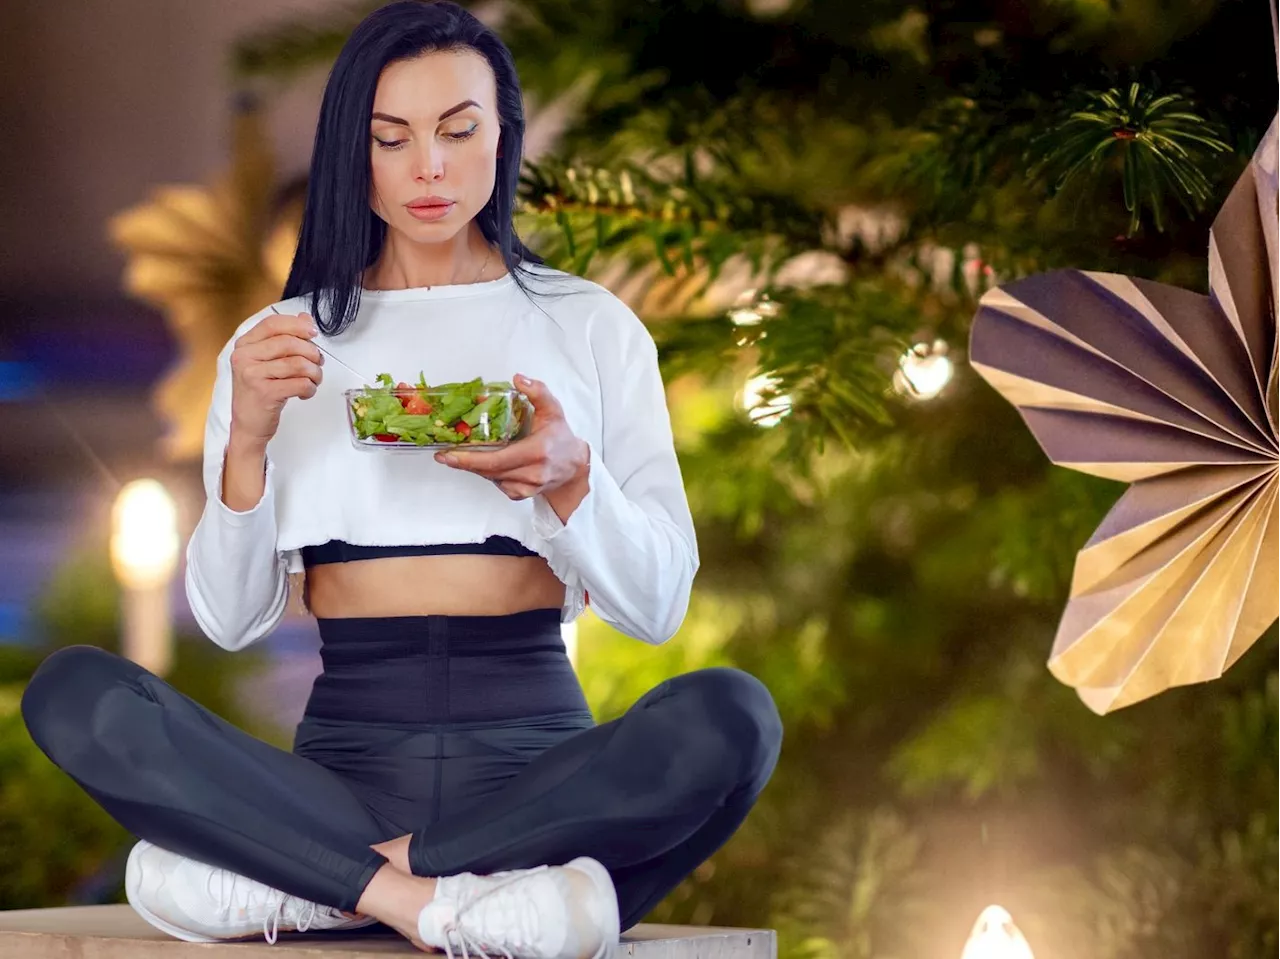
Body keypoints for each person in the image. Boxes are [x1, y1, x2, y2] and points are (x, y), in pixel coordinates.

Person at [19, 2, 783, 956]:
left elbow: (659, 607)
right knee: (74, 692)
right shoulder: (280, 344)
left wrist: (573, 481)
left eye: (458, 131)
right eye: (393, 138)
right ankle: (459, 903)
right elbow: (225, 619)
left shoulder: (590, 327)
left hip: (536, 766)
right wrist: (247, 445)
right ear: (355, 153)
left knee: (735, 719)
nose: (429, 167)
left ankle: (337, 883)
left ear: (502, 136)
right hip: (341, 760)